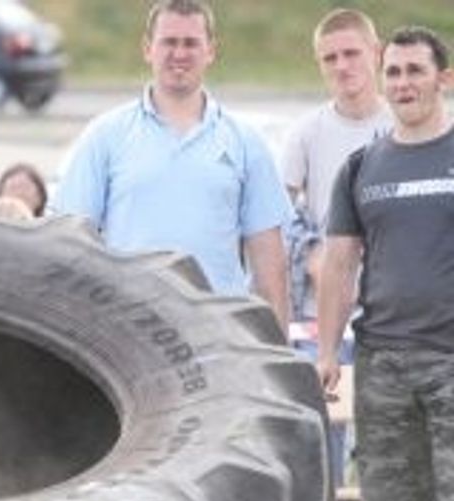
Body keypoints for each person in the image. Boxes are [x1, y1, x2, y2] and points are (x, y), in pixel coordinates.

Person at [317, 26, 454, 501]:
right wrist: (325, 349)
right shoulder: (363, 167)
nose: (402, 83)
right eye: (393, 71)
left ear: (444, 78)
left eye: (415, 71)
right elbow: (339, 262)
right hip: (385, 364)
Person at [52, 0, 292, 329]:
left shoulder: (246, 141)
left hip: (222, 334)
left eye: (191, 43)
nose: (180, 53)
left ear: (211, 51)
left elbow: (269, 260)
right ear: (148, 48)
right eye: (169, 42)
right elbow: (71, 244)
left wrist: (279, 354)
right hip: (129, 329)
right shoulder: (104, 135)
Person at [282, 8, 392, 501]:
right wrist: (314, 254)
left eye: (353, 54)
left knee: (399, 473)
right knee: (324, 470)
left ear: (374, 54)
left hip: (403, 323)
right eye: (331, 58)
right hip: (327, 328)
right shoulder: (305, 136)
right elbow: (288, 219)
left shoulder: (406, 125)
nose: (343, 68)